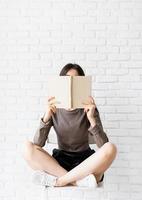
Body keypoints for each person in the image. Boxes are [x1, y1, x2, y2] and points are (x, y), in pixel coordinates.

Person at [23, 63, 117, 187]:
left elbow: (103, 145)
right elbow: (38, 144)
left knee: (110, 148)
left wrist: (91, 118)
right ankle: (76, 181)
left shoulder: (89, 109)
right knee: (27, 147)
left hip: (86, 163)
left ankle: (60, 181)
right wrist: (46, 117)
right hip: (60, 162)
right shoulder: (55, 108)